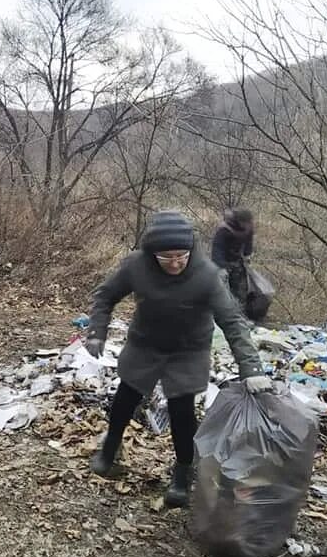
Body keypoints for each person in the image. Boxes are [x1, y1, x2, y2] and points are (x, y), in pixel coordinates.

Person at [86, 210, 271, 508]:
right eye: (166, 257)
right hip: (145, 344)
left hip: (188, 350)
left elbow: (233, 322)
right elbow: (105, 296)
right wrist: (97, 331)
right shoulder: (136, 266)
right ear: (152, 253)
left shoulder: (207, 276)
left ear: (191, 251)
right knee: (123, 401)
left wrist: (251, 368)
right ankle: (109, 451)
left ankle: (182, 474)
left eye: (180, 256)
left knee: (182, 414)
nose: (174, 263)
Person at [211, 208, 255, 305]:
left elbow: (249, 242)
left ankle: (240, 311)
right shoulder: (224, 230)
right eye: (245, 223)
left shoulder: (249, 228)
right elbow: (217, 249)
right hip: (224, 262)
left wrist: (248, 255)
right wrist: (221, 266)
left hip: (238, 262)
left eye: (248, 223)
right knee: (223, 292)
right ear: (239, 221)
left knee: (241, 291)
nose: (247, 226)